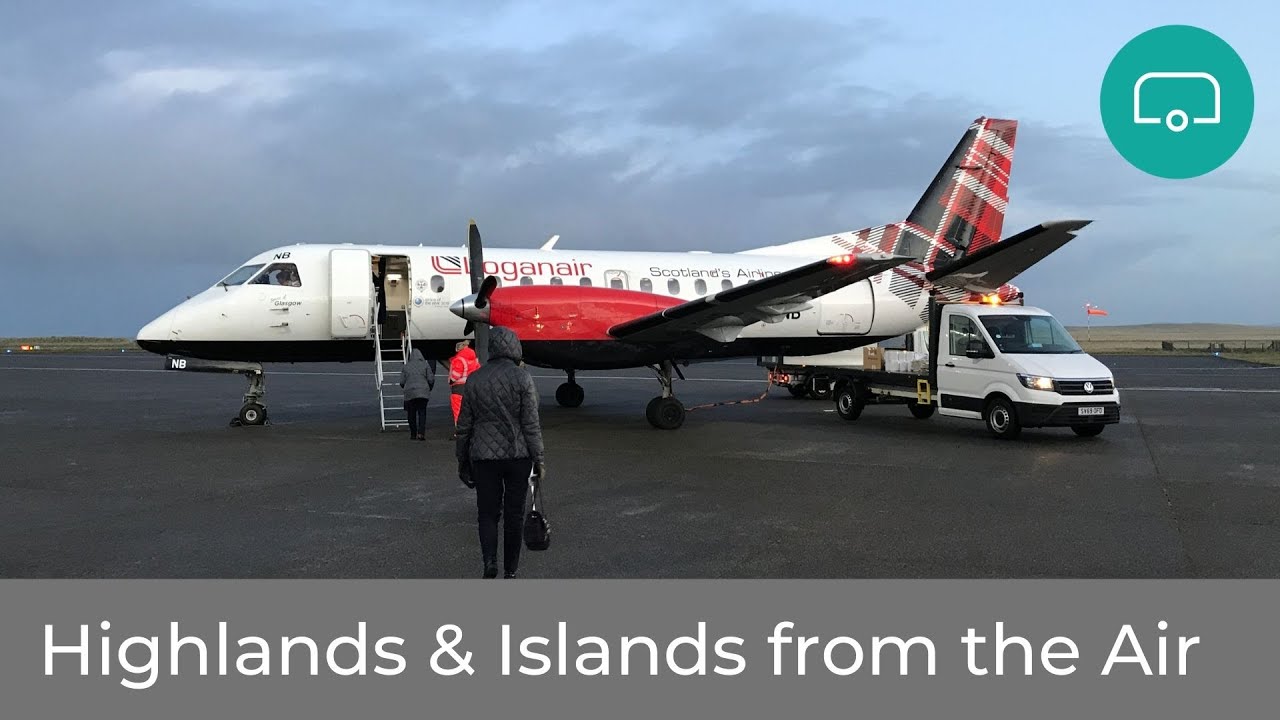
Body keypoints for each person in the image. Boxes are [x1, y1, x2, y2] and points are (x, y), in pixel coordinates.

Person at [455, 327, 545, 579]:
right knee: (514, 515)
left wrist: (462, 460)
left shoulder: (475, 379)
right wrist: (538, 458)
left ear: (491, 349)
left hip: (483, 457)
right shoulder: (522, 378)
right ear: (514, 348)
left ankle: (489, 562)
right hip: (518, 455)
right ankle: (511, 570)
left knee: (487, 513)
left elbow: (464, 426)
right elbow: (531, 424)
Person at [400, 348, 435, 441]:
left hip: (410, 393)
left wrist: (406, 387)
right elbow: (431, 379)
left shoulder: (406, 366)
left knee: (411, 414)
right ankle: (421, 433)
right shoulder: (425, 365)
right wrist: (429, 388)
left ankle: (413, 433)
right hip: (423, 392)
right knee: (422, 413)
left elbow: (402, 382)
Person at [448, 339, 480, 430]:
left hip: (458, 389)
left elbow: (455, 376)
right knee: (470, 411)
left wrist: (451, 380)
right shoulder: (475, 360)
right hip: (471, 388)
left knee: (458, 411)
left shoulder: (459, 359)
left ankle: (460, 431)